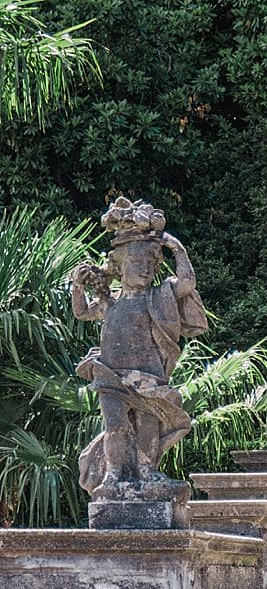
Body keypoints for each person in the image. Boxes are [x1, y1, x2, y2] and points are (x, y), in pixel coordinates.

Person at [71, 198, 208, 498]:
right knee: (115, 426)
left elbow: (187, 282)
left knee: (148, 426)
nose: (145, 269)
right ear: (119, 267)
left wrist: (176, 248)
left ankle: (147, 474)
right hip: (110, 374)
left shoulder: (158, 296)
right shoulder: (110, 302)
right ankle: (113, 476)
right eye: (137, 263)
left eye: (151, 263)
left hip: (148, 377)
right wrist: (77, 286)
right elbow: (81, 312)